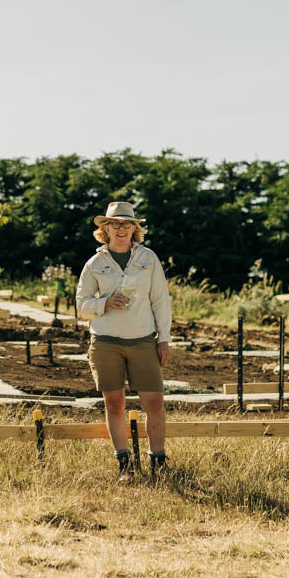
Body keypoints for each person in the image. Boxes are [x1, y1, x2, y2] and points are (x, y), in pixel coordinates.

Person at [76, 201, 172, 480]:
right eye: (115, 224)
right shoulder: (95, 264)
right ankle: (125, 465)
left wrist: (163, 340)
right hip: (106, 342)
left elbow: (160, 300)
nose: (121, 229)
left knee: (154, 402)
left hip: (143, 340)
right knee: (114, 403)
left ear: (135, 228)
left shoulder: (148, 259)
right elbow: (82, 305)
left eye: (127, 224)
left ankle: (158, 461)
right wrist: (104, 303)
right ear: (105, 228)